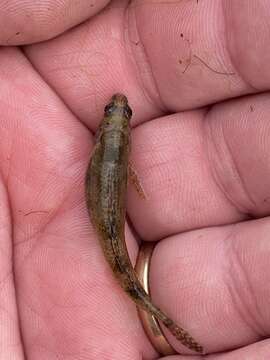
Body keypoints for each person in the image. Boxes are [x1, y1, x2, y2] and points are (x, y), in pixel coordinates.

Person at [0, 1, 269, 358]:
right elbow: (124, 174)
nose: (116, 109)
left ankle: (156, 311)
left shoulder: (108, 141)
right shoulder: (121, 142)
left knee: (120, 261)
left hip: (105, 212)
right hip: (104, 213)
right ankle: (158, 313)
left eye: (118, 111)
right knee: (120, 261)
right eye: (116, 111)